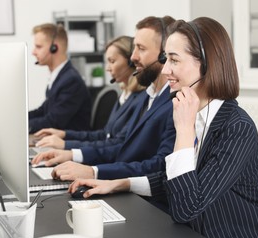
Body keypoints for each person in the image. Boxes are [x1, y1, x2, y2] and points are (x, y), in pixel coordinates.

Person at [68, 17, 258, 238]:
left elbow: (187, 207)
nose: (165, 69)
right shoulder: (195, 114)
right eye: (165, 59)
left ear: (207, 64)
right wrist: (120, 184)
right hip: (200, 233)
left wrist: (184, 131)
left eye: (174, 60)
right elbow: (179, 181)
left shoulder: (236, 128)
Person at [32, 16, 177, 181]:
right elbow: (119, 144)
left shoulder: (173, 102)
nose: (133, 57)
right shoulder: (148, 97)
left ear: (164, 55)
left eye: (141, 48)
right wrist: (73, 154)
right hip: (121, 177)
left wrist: (93, 171)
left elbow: (160, 166)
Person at [32, 36, 145, 149]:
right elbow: (104, 135)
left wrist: (66, 145)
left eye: (112, 61)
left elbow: (117, 145)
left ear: (131, 62)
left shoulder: (140, 99)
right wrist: (64, 134)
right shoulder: (124, 95)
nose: (107, 68)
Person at [28, 23, 91, 133]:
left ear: (54, 48)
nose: (33, 52)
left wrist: (20, 127)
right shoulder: (59, 77)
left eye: (38, 47)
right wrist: (19, 120)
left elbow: (53, 121)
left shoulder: (71, 80)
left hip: (70, 145)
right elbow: (43, 111)